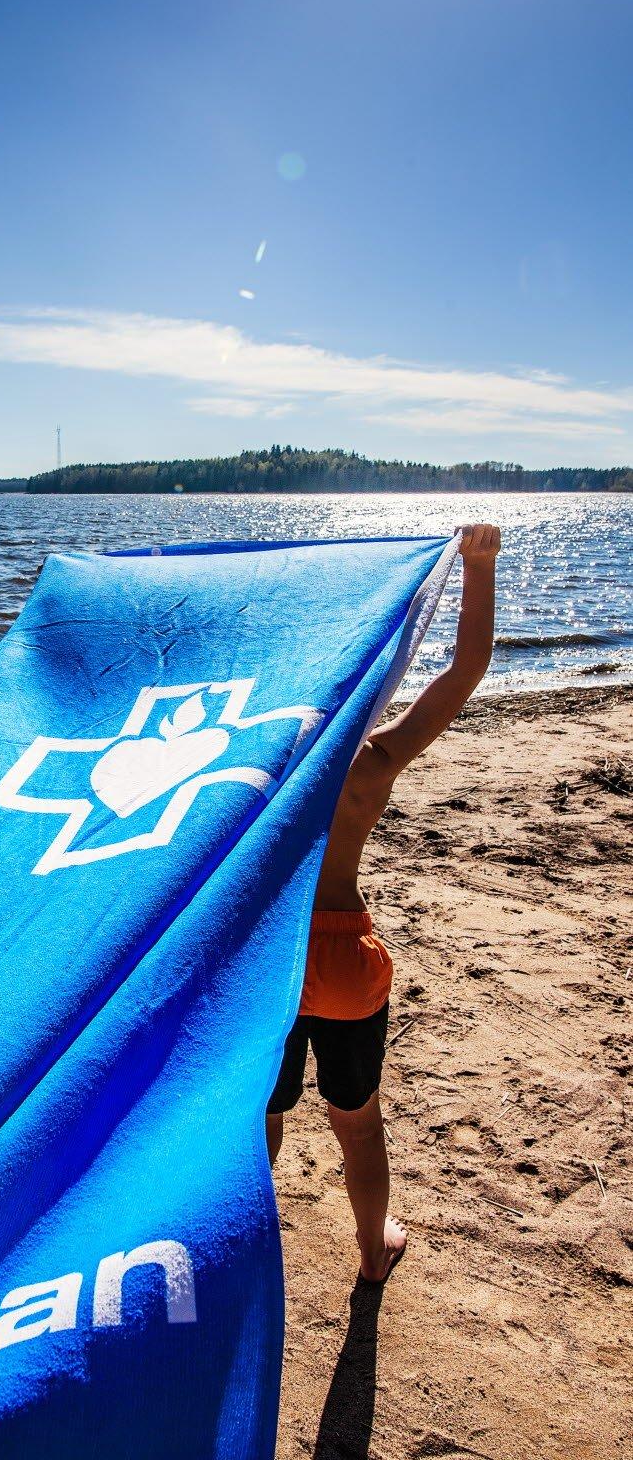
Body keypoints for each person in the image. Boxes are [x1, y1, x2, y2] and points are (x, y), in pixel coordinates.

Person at [266, 523, 501, 1283]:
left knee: (259, 1119)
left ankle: (246, 1251)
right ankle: (372, 1251)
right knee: (358, 1126)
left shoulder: (252, 766)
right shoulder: (371, 760)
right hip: (341, 960)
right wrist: (478, 566)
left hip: (264, 955)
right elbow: (465, 670)